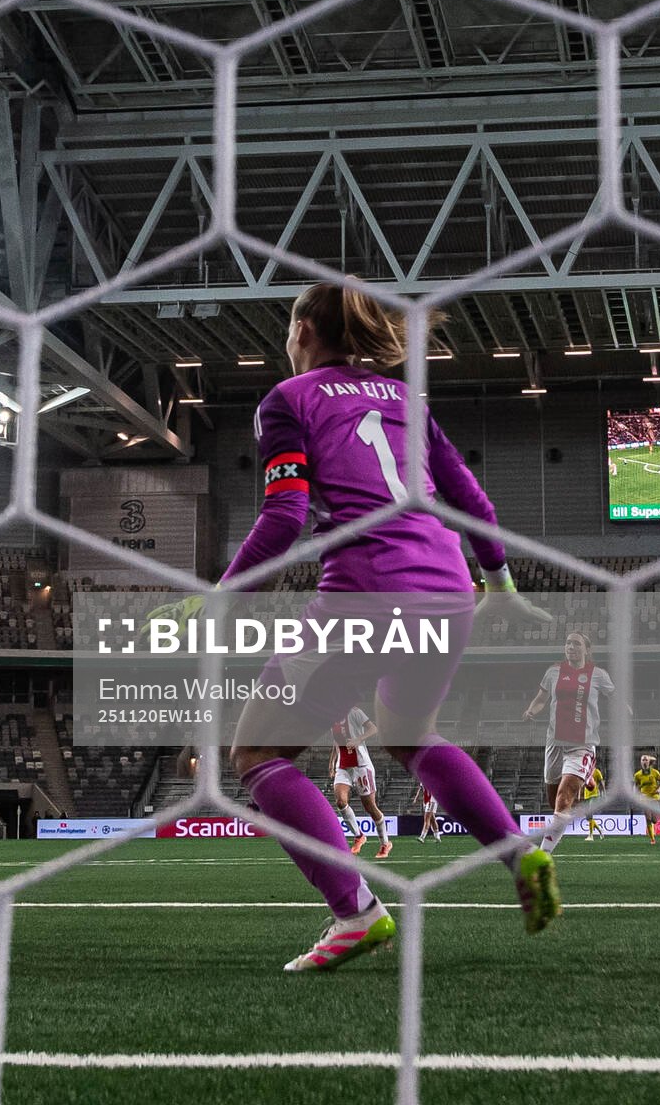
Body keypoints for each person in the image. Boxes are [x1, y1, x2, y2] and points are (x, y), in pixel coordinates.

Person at [222, 281, 559, 974]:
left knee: (257, 752)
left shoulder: (288, 399)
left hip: (369, 590)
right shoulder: (408, 398)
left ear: (303, 331)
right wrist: (499, 584)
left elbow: (284, 516)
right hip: (450, 589)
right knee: (410, 735)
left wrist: (223, 596)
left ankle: (356, 913)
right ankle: (518, 850)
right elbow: (472, 501)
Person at [522, 631, 614, 854]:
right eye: (568, 643)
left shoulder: (598, 675)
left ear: (587, 650)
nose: (571, 647)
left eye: (576, 643)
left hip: (582, 744)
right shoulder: (553, 672)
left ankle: (543, 855)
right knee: (554, 802)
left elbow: (614, 696)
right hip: (554, 743)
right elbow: (541, 698)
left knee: (564, 799)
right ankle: (585, 779)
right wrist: (531, 710)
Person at [329, 707, 391, 859]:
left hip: (361, 766)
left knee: (370, 807)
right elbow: (337, 741)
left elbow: (373, 728)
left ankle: (385, 843)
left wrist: (358, 739)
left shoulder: (354, 712)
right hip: (343, 766)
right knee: (340, 801)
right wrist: (332, 762)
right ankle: (359, 836)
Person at [634, 755, 660, 846]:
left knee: (654, 820)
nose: (644, 761)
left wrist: (659, 789)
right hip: (644, 798)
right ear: (640, 762)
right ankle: (652, 839)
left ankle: (654, 825)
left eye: (646, 760)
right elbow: (636, 786)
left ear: (648, 762)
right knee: (648, 819)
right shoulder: (637, 775)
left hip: (654, 797)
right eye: (643, 760)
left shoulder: (654, 772)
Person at [580, 764, 605, 841]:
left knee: (590, 814)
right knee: (588, 817)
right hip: (586, 796)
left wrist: (604, 793)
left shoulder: (597, 772)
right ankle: (600, 830)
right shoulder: (585, 773)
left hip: (594, 795)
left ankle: (591, 835)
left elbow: (601, 782)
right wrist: (580, 794)